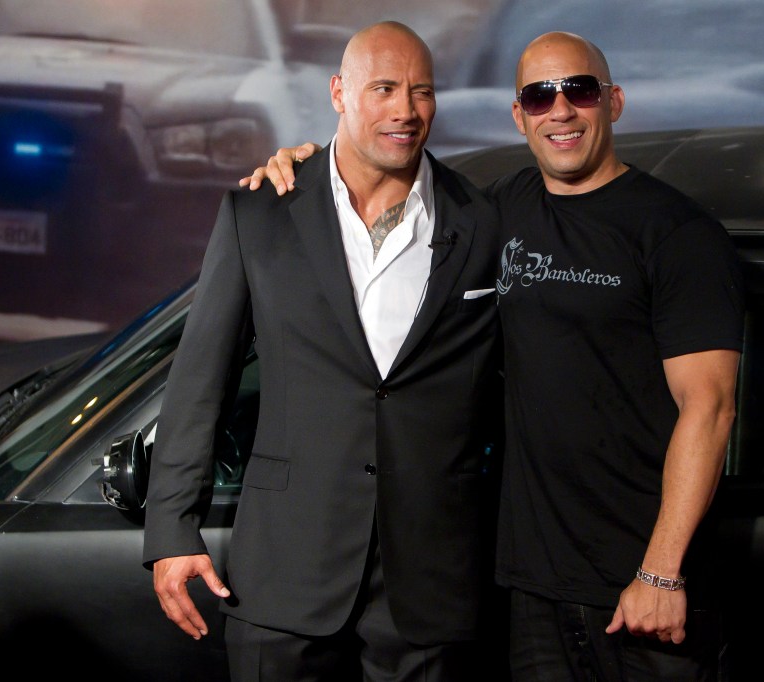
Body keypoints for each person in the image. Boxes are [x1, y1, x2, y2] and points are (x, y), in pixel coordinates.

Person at [244, 30, 745, 682]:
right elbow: (390, 180)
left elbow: (710, 406)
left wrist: (661, 571)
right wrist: (306, 166)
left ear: (613, 101)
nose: (559, 110)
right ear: (518, 115)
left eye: (579, 90)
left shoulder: (677, 233)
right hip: (528, 587)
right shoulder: (497, 211)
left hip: (642, 586)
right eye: (539, 96)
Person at [143, 21, 505, 682]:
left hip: (431, 584)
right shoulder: (260, 211)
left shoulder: (482, 220)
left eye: (421, 91)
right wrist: (172, 528)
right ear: (339, 92)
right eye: (384, 89)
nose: (405, 110)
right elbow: (200, 383)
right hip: (285, 572)